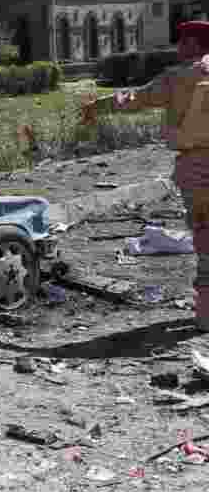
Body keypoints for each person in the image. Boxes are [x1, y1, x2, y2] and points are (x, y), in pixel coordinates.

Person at [80, 21, 209, 329]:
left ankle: (206, 315)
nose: (178, 48)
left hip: (197, 165)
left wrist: (98, 105)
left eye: (182, 42)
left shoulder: (180, 77)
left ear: (194, 44)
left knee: (205, 236)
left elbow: (137, 98)